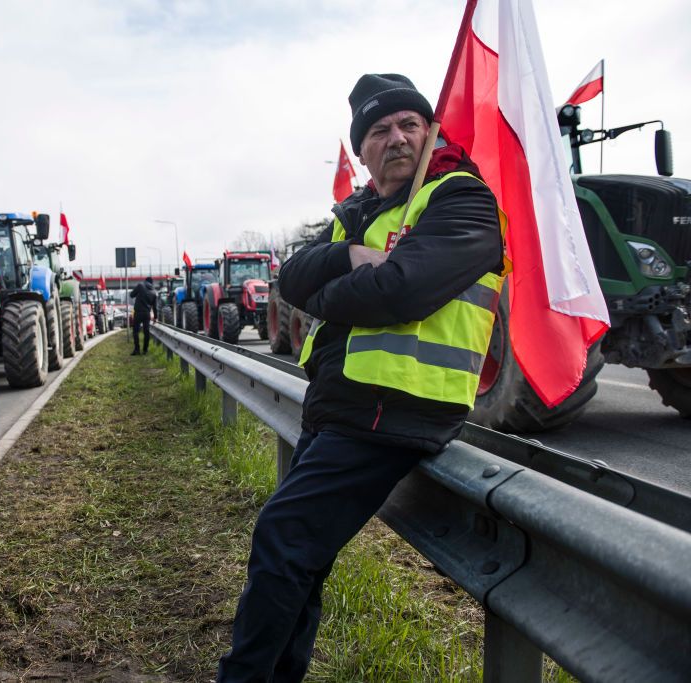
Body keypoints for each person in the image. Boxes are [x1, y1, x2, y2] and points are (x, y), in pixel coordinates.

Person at [217, 73, 505, 681]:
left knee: (283, 536)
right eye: (379, 130)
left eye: (409, 124)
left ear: (430, 132)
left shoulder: (463, 198)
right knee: (302, 557)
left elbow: (400, 291)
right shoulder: (360, 214)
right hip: (343, 406)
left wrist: (331, 293)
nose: (397, 138)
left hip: (396, 408)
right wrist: (348, 256)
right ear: (362, 151)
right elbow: (292, 278)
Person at [129, 276, 156, 355]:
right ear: (152, 283)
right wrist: (155, 317)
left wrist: (138, 294)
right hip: (147, 314)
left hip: (138, 313)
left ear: (145, 281)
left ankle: (137, 350)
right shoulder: (154, 292)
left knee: (135, 331)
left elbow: (132, 295)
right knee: (146, 332)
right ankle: (145, 350)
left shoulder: (140, 285)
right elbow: (155, 307)